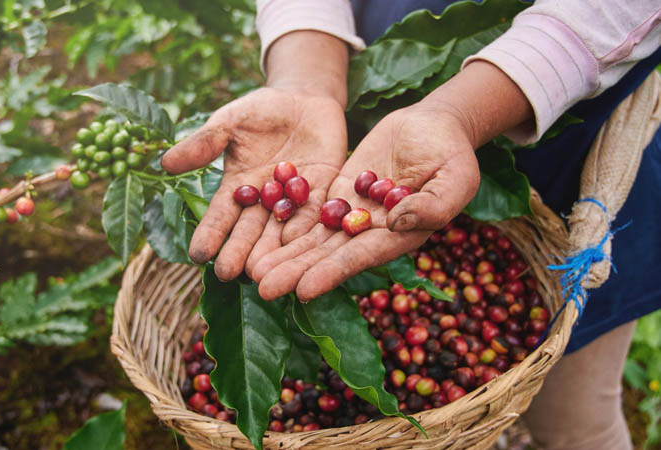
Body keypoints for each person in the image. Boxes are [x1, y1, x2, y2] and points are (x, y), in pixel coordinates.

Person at [160, 1, 661, 449]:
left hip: (575, 129)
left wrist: (458, 113)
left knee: (579, 421)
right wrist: (305, 80)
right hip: (377, 127)